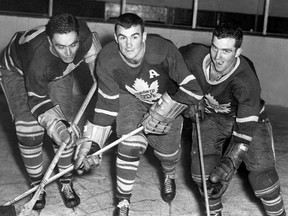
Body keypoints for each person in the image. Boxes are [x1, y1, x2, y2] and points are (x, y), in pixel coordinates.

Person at [74, 13, 203, 216]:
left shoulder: (163, 50)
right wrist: (94, 143)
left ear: (144, 36)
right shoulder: (107, 59)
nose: (129, 44)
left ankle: (169, 174)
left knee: (167, 154)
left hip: (167, 98)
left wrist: (163, 109)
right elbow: (106, 105)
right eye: (123, 37)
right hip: (130, 98)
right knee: (129, 144)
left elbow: (193, 89)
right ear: (116, 39)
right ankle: (123, 203)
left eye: (134, 36)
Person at [179, 23, 286, 216]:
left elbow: (244, 133)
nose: (218, 58)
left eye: (226, 51)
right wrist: (188, 99)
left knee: (264, 179)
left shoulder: (245, 80)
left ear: (238, 52)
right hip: (211, 116)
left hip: (247, 120)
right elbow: (170, 68)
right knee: (203, 175)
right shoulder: (193, 55)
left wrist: (230, 163)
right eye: (215, 48)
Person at [0, 13, 101, 210]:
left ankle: (66, 182)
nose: (69, 53)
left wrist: (100, 71)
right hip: (18, 72)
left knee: (67, 127)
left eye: (73, 44)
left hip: (57, 71)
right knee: (29, 131)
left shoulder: (84, 34)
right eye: (61, 46)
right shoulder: (37, 57)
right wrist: (57, 128)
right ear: (49, 42)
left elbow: (94, 49)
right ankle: (38, 185)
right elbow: (38, 102)